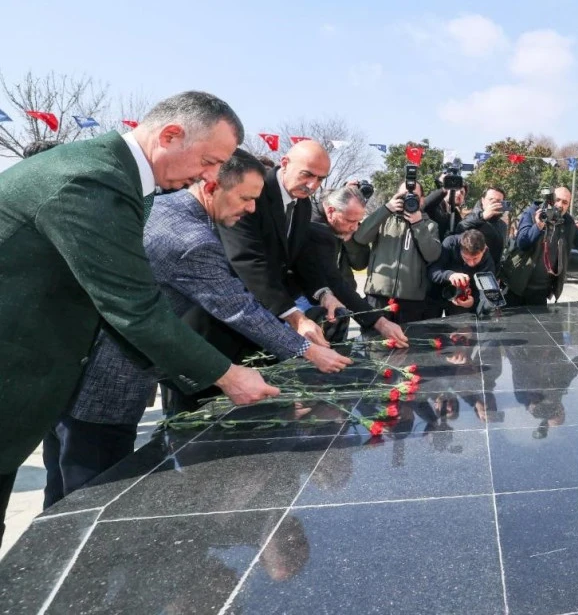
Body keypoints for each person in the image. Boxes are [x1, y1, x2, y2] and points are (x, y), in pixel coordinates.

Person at [0, 91, 279, 544]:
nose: (210, 177)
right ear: (170, 135)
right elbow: (134, 306)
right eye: (209, 161)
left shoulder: (118, 176)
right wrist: (228, 376)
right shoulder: (95, 180)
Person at [42, 150, 351, 507]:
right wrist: (308, 351)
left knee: (58, 498)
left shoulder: (159, 208)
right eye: (246, 198)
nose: (252, 209)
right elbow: (238, 307)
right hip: (106, 388)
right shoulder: (191, 240)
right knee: (89, 504)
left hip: (69, 374)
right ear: (211, 186)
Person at [218, 139, 346, 342]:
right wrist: (296, 318)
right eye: (307, 174)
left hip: (269, 310)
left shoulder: (302, 203)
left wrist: (324, 294)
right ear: (285, 163)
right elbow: (247, 259)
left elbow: (301, 256)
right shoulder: (253, 192)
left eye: (321, 179)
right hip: (228, 309)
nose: (313, 185)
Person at [308, 185, 410, 345]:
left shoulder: (335, 226)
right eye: (350, 221)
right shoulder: (315, 228)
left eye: (358, 222)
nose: (355, 228)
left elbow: (357, 265)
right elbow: (334, 280)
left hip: (332, 297)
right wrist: (379, 322)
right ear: (330, 211)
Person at [354, 180, 444, 324]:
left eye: (414, 196)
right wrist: (386, 208)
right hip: (377, 296)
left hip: (411, 301)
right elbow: (360, 237)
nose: (408, 198)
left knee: (407, 344)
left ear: (421, 200)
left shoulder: (429, 225)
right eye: (404, 195)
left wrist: (418, 224)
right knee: (373, 344)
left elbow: (432, 255)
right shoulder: (384, 219)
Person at [502, 186, 578, 306]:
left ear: (568, 205)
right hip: (517, 285)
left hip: (541, 290)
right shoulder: (533, 213)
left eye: (565, 202)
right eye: (557, 199)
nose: (560, 205)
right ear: (550, 199)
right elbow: (522, 243)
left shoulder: (568, 222)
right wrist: (538, 226)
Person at [429, 229, 495, 316]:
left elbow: (488, 294)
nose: (471, 263)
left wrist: (473, 302)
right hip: (439, 295)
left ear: (484, 250)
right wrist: (449, 275)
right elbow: (433, 271)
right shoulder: (450, 244)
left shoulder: (487, 261)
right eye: (466, 258)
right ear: (460, 248)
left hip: (465, 303)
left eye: (475, 259)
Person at [457, 186, 507, 262]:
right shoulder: (472, 217)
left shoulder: (503, 225)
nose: (494, 203)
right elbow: (460, 228)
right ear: (483, 200)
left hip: (492, 271)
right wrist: (483, 216)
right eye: (491, 199)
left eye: (499, 201)